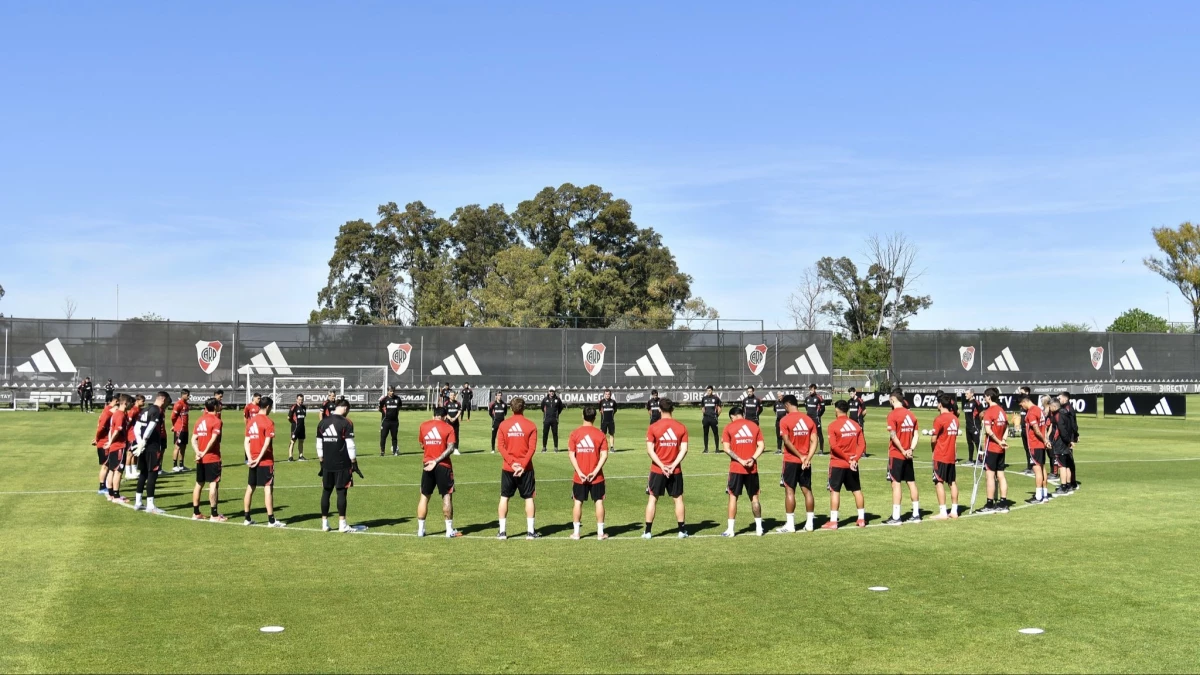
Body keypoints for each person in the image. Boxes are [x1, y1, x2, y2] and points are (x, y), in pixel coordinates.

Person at [643, 397, 690, 539]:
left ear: (658, 409)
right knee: (678, 499)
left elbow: (650, 450)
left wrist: (662, 466)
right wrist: (673, 465)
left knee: (652, 499)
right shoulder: (681, 427)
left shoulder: (653, 427)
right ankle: (681, 531)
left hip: (657, 469)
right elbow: (684, 449)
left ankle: (648, 532)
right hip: (675, 470)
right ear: (673, 409)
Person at [316, 398, 363, 533]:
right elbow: (350, 445)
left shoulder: (322, 422)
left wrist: (321, 462)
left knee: (326, 491)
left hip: (327, 464)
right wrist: (354, 463)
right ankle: (342, 524)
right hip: (342, 463)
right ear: (345, 408)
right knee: (341, 491)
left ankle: (324, 523)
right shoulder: (346, 423)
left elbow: (319, 445)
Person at [496, 397, 539, 540]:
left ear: (510, 408)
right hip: (525, 469)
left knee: (504, 497)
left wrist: (511, 463)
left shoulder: (503, 425)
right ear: (524, 408)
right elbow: (532, 448)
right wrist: (522, 465)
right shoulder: (531, 425)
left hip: (508, 468)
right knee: (529, 498)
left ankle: (502, 532)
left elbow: (500, 447)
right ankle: (530, 532)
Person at [417, 407, 462, 538]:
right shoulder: (448, 428)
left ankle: (421, 530)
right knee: (447, 496)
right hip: (443, 465)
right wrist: (437, 460)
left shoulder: (424, 426)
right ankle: (449, 530)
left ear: (434, 415)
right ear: (444, 416)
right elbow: (451, 448)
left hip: (427, 464)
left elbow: (422, 444)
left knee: (424, 496)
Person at [821, 400, 867, 530]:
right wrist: (854, 459)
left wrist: (847, 458)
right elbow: (862, 444)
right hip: (852, 464)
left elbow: (834, 447)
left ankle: (834, 521)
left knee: (834, 491)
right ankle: (861, 519)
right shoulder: (856, 425)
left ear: (836, 410)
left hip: (838, 463)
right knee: (856, 490)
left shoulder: (833, 426)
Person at [721, 406, 765, 537]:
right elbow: (762, 446)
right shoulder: (754, 426)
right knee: (755, 498)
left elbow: (726, 448)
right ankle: (759, 528)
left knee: (733, 497)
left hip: (736, 468)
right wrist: (752, 458)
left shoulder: (729, 427)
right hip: (752, 468)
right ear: (743, 414)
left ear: (732, 417)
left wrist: (740, 460)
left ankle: (730, 530)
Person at [567, 405, 610, 540]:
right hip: (596, 476)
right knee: (598, 502)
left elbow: (571, 454)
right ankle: (600, 533)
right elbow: (604, 455)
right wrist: (595, 471)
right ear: (595, 417)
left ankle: (576, 533)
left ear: (582, 416)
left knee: (578, 502)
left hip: (579, 476)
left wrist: (579, 472)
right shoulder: (600, 434)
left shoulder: (575, 433)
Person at [777, 394, 818, 532]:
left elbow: (786, 441)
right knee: (807, 491)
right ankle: (810, 524)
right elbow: (815, 441)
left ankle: (790, 525)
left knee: (789, 491)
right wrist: (808, 458)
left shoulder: (784, 420)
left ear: (787, 405)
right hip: (805, 462)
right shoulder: (808, 420)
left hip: (791, 460)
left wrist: (800, 456)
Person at [243, 396, 284, 527]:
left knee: (250, 488)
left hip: (253, 460)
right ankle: (271, 520)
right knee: (268, 489)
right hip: (265, 461)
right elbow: (267, 443)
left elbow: (246, 441)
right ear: (268, 407)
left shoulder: (251, 421)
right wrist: (259, 458)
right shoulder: (268, 422)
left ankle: (247, 518)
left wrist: (250, 458)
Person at [884, 388, 921, 525]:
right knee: (911, 483)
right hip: (908, 455)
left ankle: (896, 516)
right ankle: (916, 514)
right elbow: (916, 435)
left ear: (893, 400)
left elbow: (893, 436)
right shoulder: (911, 415)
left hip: (897, 454)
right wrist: (910, 449)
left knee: (896, 484)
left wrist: (903, 450)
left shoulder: (892, 415)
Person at [131, 391, 168, 514]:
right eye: (167, 401)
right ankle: (150, 505)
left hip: (142, 446)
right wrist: (144, 441)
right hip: (152, 446)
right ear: (163, 399)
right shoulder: (157, 411)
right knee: (152, 474)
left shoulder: (145, 409)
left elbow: (136, 427)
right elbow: (151, 427)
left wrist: (140, 442)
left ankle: (138, 502)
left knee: (143, 473)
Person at [191, 398, 228, 521]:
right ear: (216, 406)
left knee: (198, 484)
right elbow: (213, 440)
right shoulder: (217, 421)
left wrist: (198, 453)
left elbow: (193, 439)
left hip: (200, 458)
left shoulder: (199, 420)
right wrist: (204, 452)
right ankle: (214, 515)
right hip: (212, 458)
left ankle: (196, 513)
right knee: (213, 485)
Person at [929, 394, 961, 520]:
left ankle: (943, 512)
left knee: (938, 482)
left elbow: (933, 439)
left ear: (940, 404)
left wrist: (933, 450)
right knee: (952, 482)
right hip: (951, 455)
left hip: (941, 454)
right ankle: (954, 510)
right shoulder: (955, 419)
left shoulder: (940, 419)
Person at [978, 387, 1010, 513]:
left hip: (992, 448)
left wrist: (998, 441)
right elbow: (1007, 427)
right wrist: (1003, 440)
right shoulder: (1002, 410)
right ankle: (1003, 502)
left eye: (985, 396)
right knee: (1001, 475)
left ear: (989, 397)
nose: (984, 398)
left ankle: (990, 503)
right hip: (1001, 448)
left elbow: (988, 431)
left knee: (990, 475)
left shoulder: (990, 411)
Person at [1020, 396, 1052, 504]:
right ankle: (1045, 494)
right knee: (1042, 468)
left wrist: (1044, 440)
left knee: (1037, 469)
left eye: (1021, 404)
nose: (1022, 407)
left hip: (1034, 444)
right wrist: (1045, 440)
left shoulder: (1032, 412)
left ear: (1025, 402)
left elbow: (1036, 430)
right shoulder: (1039, 410)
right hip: (1040, 445)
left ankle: (1038, 496)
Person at [103, 394, 132, 503]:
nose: (131, 405)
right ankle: (116, 496)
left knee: (111, 470)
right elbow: (117, 431)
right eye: (130, 403)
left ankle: (110, 494)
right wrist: (110, 442)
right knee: (118, 471)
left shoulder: (115, 414)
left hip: (113, 447)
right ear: (125, 403)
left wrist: (110, 443)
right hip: (119, 446)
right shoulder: (120, 415)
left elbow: (111, 430)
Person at [1048, 399, 1076, 494]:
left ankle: (1063, 486)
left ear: (1054, 407)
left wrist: (1066, 441)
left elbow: (1061, 430)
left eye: (1050, 407)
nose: (1050, 409)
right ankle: (1068, 484)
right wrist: (1071, 440)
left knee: (1062, 466)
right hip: (1066, 443)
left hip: (1061, 443)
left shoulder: (1058, 415)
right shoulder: (1066, 413)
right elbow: (1072, 427)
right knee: (1067, 465)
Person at [92, 398, 117, 494]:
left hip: (105, 442)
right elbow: (100, 428)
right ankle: (102, 487)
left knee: (108, 465)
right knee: (105, 466)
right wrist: (97, 439)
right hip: (104, 443)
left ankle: (105, 485)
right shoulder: (107, 414)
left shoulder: (108, 413)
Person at [1056, 391, 1080, 490]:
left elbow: (1073, 424)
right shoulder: (1065, 408)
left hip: (1068, 439)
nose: (1059, 399)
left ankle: (1071, 483)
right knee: (1068, 461)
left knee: (1068, 461)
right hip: (1069, 438)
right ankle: (1070, 483)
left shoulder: (1068, 409)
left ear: (1065, 399)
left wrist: (1074, 436)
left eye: (1060, 398)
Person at [124, 395, 144, 479]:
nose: (143, 402)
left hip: (137, 434)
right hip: (131, 435)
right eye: (142, 401)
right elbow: (128, 422)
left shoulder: (139, 410)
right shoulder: (133, 410)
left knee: (135, 453)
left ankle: (134, 471)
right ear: (137, 401)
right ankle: (128, 472)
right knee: (130, 454)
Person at [170, 389, 191, 473]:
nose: (189, 397)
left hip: (185, 429)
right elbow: (173, 417)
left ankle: (181, 465)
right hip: (179, 428)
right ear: (183, 395)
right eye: (188, 395)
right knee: (177, 446)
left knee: (183, 447)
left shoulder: (187, 404)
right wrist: (174, 425)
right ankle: (175, 466)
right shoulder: (178, 404)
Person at [378, 385, 401, 457]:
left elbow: (399, 407)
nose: (392, 392)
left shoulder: (398, 399)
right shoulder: (384, 399)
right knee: (383, 436)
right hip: (386, 421)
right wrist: (386, 414)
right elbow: (380, 409)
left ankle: (395, 451)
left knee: (394, 437)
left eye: (393, 391)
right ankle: (382, 451)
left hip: (395, 421)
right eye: (391, 391)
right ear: (388, 391)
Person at [540, 386, 563, 452]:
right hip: (546, 419)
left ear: (554, 392)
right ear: (548, 392)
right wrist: (546, 414)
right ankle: (544, 447)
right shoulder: (545, 399)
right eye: (550, 391)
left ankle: (556, 447)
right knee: (545, 433)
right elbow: (542, 408)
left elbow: (561, 408)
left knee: (555, 434)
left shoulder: (558, 399)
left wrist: (556, 415)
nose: (551, 393)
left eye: (553, 391)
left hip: (554, 420)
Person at [961, 389, 982, 466]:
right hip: (968, 427)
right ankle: (970, 459)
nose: (965, 395)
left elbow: (982, 413)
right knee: (970, 443)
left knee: (977, 443)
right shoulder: (966, 403)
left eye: (967, 393)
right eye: (965, 393)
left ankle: (980, 459)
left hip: (975, 426)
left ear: (972, 394)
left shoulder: (976, 403)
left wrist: (979, 424)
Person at [1017, 385, 1034, 474]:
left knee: (1030, 448)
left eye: (1021, 392)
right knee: (1026, 448)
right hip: (1023, 429)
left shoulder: (1029, 403)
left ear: (1027, 393)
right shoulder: (1022, 403)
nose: (1019, 393)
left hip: (1028, 429)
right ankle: (1029, 466)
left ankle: (1032, 466)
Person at [805, 384, 826, 455]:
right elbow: (806, 407)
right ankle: (808, 449)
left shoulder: (819, 398)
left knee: (819, 433)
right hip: (808, 419)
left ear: (815, 389)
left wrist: (818, 415)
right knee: (808, 434)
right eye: (810, 389)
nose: (811, 391)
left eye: (812, 389)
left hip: (816, 419)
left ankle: (821, 450)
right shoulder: (807, 398)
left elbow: (823, 408)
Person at [847, 387, 868, 456]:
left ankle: (863, 452)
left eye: (852, 393)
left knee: (861, 436)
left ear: (855, 392)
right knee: (852, 436)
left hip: (859, 422)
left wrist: (860, 418)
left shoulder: (859, 400)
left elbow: (864, 411)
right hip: (851, 423)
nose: (851, 395)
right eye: (850, 393)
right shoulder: (849, 401)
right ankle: (854, 451)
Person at [700, 386, 722, 453]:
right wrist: (705, 414)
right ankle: (706, 449)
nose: (708, 392)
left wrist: (716, 415)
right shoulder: (704, 398)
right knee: (705, 433)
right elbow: (703, 408)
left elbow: (719, 408)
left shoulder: (716, 398)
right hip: (706, 418)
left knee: (715, 433)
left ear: (712, 391)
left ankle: (717, 449)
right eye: (707, 390)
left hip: (713, 418)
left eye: (709, 390)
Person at [287, 394, 307, 461]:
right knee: (292, 441)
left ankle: (300, 456)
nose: (300, 401)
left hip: (302, 428)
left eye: (302, 400)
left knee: (301, 441)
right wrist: (293, 424)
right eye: (299, 399)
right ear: (296, 399)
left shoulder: (304, 408)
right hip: (295, 428)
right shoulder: (294, 407)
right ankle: (290, 457)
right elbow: (289, 417)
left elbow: (303, 417)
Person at [445, 391, 462, 455]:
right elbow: (445, 412)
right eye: (451, 395)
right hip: (448, 421)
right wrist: (450, 418)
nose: (453, 396)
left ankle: (456, 449)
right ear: (449, 396)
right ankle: (447, 448)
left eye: (454, 395)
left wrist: (455, 418)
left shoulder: (458, 403)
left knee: (456, 435)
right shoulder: (446, 403)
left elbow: (459, 411)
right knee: (447, 435)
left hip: (456, 422)